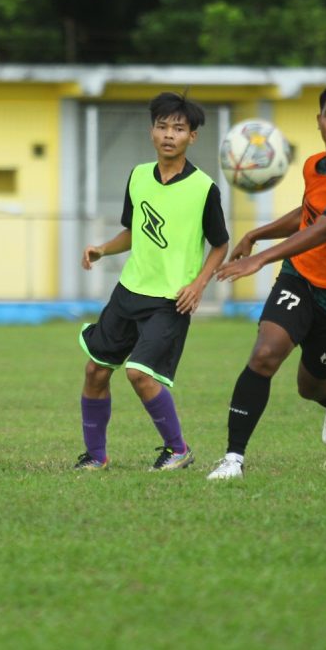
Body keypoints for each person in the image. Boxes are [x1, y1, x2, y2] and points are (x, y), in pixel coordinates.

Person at [207, 83, 326, 480]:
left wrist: (261, 258)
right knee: (265, 354)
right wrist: (257, 234)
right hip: (300, 278)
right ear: (319, 121)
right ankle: (233, 459)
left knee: (312, 386)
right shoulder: (313, 166)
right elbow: (307, 214)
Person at [75, 92, 229, 471]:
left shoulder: (205, 189)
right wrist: (103, 250)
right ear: (152, 131)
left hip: (170, 299)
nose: (168, 135)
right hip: (129, 291)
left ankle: (178, 450)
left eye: (178, 128)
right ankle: (95, 457)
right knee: (95, 370)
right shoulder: (139, 176)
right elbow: (134, 231)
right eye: (162, 126)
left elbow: (221, 244)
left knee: (139, 374)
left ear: (192, 136)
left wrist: (198, 285)